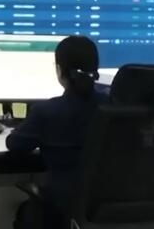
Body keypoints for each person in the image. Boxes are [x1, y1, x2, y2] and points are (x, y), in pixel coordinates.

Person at [7, 36, 106, 229]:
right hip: (104, 206)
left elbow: (15, 145)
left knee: (26, 212)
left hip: (61, 206)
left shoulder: (47, 111)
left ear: (59, 70)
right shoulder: (113, 109)